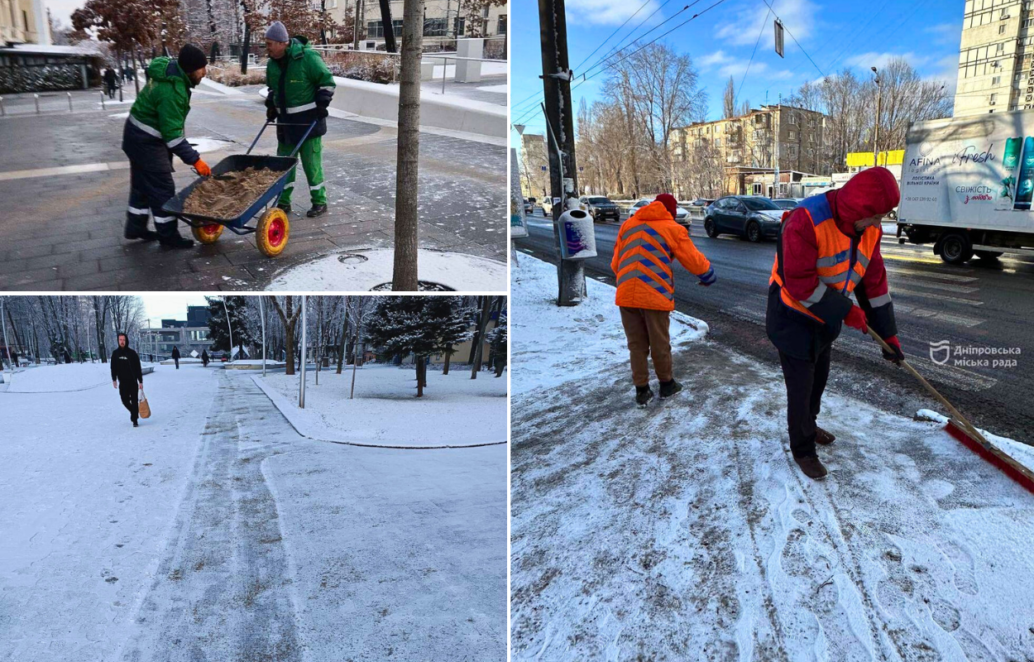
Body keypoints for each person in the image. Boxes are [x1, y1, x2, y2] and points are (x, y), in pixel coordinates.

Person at [766, 167, 904, 480]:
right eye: (876, 216)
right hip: (792, 315)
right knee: (800, 387)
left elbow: (873, 282)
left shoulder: (868, 230)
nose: (878, 224)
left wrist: (889, 336)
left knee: (819, 378)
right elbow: (800, 285)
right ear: (859, 209)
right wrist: (846, 312)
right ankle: (803, 449)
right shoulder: (805, 220)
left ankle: (809, 426)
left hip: (825, 317)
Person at [611, 193, 717, 406]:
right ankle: (667, 385)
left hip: (625, 294)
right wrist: (708, 276)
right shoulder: (672, 229)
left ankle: (642, 391)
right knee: (659, 342)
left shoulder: (628, 225)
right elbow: (693, 259)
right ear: (672, 211)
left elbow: (616, 263)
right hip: (654, 294)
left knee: (636, 345)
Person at [121, 44, 211, 249]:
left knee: (142, 185)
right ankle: (168, 236)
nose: (204, 73)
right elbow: (172, 137)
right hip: (146, 142)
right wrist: (196, 160)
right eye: (201, 68)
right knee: (163, 187)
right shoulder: (172, 91)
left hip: (136, 135)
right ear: (189, 69)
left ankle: (135, 227)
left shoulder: (170, 72)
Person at [264, 21, 335, 218]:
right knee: (284, 165)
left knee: (311, 164)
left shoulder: (308, 57)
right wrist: (271, 105)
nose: (267, 48)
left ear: (282, 43)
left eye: (269, 44)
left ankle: (319, 202)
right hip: (285, 125)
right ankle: (283, 202)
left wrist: (322, 103)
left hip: (309, 123)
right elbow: (273, 89)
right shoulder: (272, 64)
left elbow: (327, 82)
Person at [110, 333, 144, 427]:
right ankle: (134, 412)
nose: (122, 341)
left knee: (134, 400)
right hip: (123, 382)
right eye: (120, 340)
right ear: (118, 341)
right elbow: (113, 368)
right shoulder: (115, 354)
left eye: (123, 340)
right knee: (124, 400)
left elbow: (138, 368)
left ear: (126, 341)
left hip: (133, 381)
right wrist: (114, 379)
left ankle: (135, 420)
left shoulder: (132, 353)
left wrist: (140, 381)